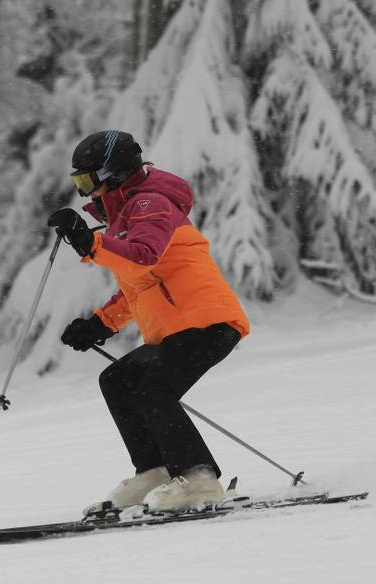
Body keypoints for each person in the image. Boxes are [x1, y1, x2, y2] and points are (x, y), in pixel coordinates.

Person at [47, 130, 250, 514]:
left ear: (114, 173)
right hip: (178, 330)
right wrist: (100, 324)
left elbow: (142, 256)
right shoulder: (127, 215)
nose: (85, 192)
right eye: (79, 183)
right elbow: (140, 285)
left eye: (87, 181)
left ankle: (199, 480)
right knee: (119, 380)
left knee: (153, 387)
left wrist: (89, 243)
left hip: (208, 322)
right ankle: (154, 472)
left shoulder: (150, 204)